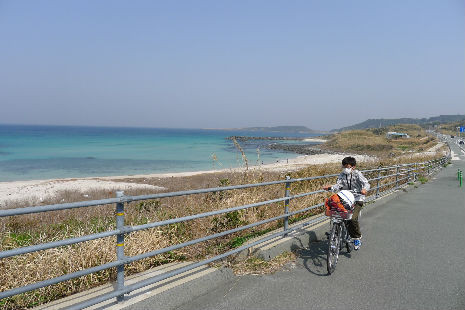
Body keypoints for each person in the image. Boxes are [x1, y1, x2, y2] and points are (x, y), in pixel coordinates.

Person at [323, 156, 370, 250]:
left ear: (353, 166)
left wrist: (364, 189)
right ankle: (336, 232)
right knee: (337, 212)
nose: (345, 169)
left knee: (352, 219)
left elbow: (366, 183)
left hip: (357, 198)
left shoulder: (357, 174)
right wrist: (330, 187)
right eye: (344, 166)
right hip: (345, 197)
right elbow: (338, 185)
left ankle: (356, 238)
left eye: (347, 167)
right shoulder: (342, 175)